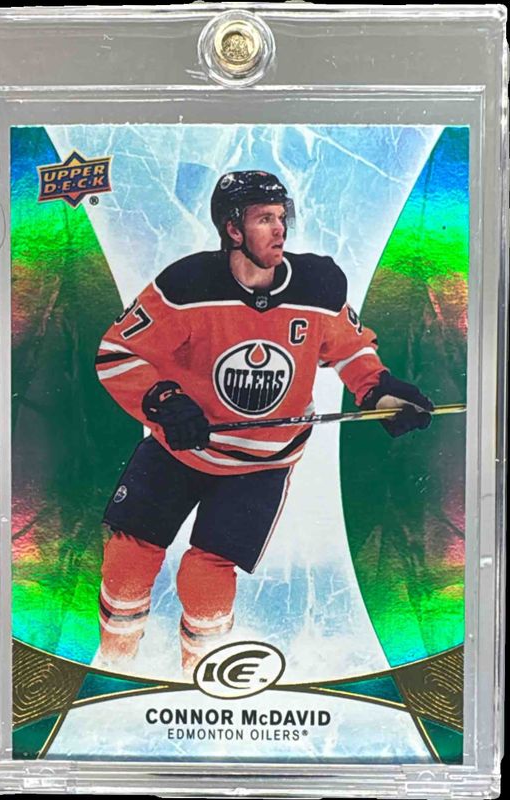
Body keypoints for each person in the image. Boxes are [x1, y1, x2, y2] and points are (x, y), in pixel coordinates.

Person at [94, 170, 433, 676]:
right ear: (233, 229)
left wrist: (377, 390)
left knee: (206, 574)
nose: (280, 230)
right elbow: (118, 353)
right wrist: (163, 400)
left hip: (261, 463)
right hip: (177, 449)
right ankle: (113, 666)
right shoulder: (186, 286)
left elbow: (350, 348)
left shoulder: (318, 287)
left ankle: (198, 678)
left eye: (281, 217)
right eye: (264, 219)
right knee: (128, 560)